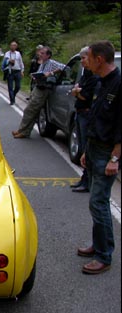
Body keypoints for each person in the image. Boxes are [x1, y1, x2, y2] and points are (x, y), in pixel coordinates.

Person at [77, 40, 120, 275]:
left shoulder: (118, 84)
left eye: (89, 57)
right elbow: (95, 118)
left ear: (99, 60)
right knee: (96, 202)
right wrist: (85, 151)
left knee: (98, 202)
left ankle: (104, 255)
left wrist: (115, 158)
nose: (87, 61)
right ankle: (98, 245)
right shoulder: (101, 82)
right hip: (94, 147)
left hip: (107, 152)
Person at [11, 46, 65, 139]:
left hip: (43, 89)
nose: (40, 55)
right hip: (38, 87)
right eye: (40, 53)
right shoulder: (42, 63)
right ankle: (24, 131)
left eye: (43, 53)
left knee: (30, 110)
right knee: (32, 111)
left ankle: (22, 131)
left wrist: (51, 73)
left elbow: (64, 67)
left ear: (48, 55)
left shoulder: (51, 63)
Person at [69, 46, 100, 193]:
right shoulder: (86, 73)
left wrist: (77, 92)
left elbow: (85, 95)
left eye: (84, 58)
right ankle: (84, 178)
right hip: (80, 112)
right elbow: (78, 88)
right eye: (81, 58)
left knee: (87, 148)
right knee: (82, 147)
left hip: (87, 114)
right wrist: (77, 91)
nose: (82, 61)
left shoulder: (94, 76)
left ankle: (88, 181)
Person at [3, 41, 25, 105]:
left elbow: (21, 62)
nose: (13, 46)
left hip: (17, 71)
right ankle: (12, 100)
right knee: (10, 87)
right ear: (10, 46)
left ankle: (13, 94)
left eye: (14, 45)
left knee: (18, 86)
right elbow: (5, 62)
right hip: (10, 71)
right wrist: (9, 61)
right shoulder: (7, 53)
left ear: (16, 47)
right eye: (12, 45)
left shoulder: (18, 53)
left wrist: (22, 70)